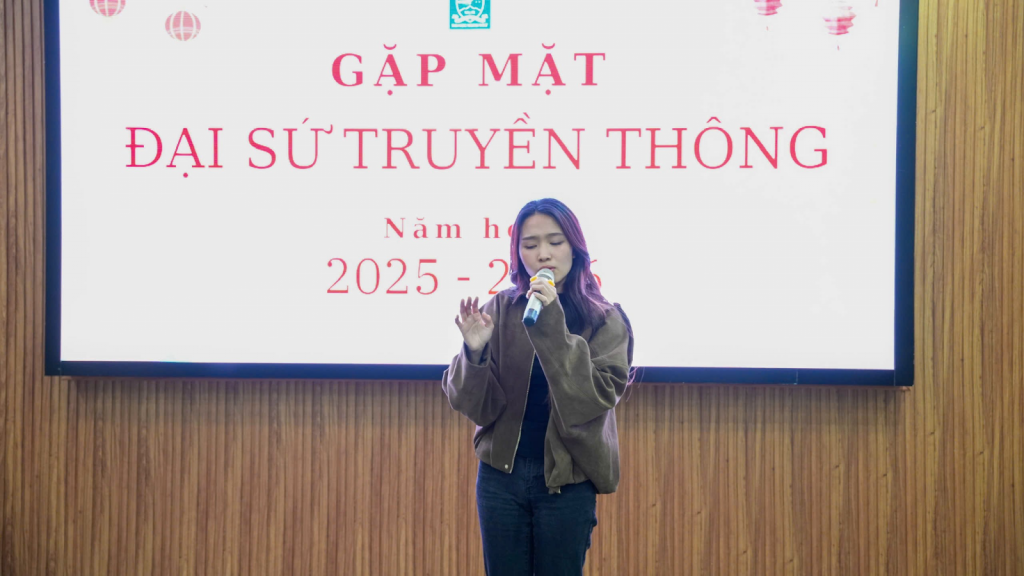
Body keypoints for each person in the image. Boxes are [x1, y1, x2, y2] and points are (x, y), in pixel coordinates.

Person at [442, 198, 634, 576]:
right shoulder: (501, 309)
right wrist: (474, 353)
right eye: (530, 245)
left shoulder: (605, 319)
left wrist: (551, 326)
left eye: (555, 242)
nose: (543, 254)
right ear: (518, 254)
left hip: (567, 481)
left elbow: (592, 400)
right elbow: (475, 406)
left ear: (576, 249)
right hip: (501, 478)